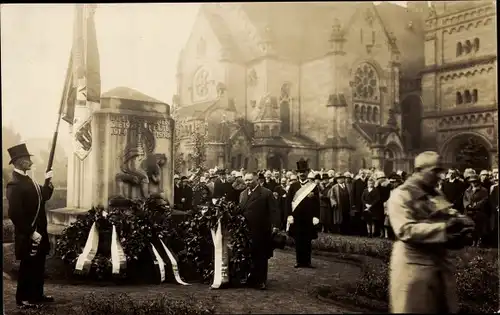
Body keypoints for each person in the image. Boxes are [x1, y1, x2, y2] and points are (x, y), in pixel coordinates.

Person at [387, 151, 474, 313]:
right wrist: (444, 228)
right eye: (434, 171)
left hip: (439, 266)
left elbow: (449, 213)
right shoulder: (401, 195)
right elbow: (405, 230)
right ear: (419, 170)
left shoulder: (435, 193)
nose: (439, 176)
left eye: (440, 171)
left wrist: (462, 223)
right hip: (413, 268)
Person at [6, 143, 55, 309]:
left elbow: (44, 196)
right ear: (18, 161)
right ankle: (23, 298)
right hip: (27, 233)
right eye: (26, 159)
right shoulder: (14, 184)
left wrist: (48, 180)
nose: (30, 161)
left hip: (39, 231)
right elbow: (15, 214)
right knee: (27, 265)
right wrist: (30, 232)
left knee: (38, 264)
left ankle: (37, 294)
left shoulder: (28, 180)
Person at [239, 172, 279, 290]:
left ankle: (261, 280)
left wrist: (275, 225)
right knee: (248, 253)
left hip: (261, 230)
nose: (248, 183)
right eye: (246, 180)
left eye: (250, 180)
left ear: (256, 179)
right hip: (246, 230)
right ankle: (249, 278)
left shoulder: (266, 193)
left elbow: (274, 210)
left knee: (260, 256)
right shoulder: (242, 194)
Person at [286, 158, 320, 268]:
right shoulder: (293, 186)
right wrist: (289, 215)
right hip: (297, 218)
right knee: (298, 240)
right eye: (300, 172)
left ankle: (308, 262)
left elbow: (317, 203)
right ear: (297, 173)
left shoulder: (313, 186)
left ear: (307, 173)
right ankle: (299, 261)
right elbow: (288, 202)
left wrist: (316, 216)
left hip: (308, 218)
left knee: (307, 240)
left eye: (304, 172)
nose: (302, 174)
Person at [463, 174, 489, 247]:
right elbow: (465, 199)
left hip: (479, 211)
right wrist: (467, 205)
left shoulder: (483, 190)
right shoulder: (467, 190)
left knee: (479, 227)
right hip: (469, 211)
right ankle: (473, 240)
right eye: (472, 181)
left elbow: (485, 199)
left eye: (475, 181)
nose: (473, 183)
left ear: (478, 181)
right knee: (472, 227)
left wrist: (476, 205)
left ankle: (479, 240)